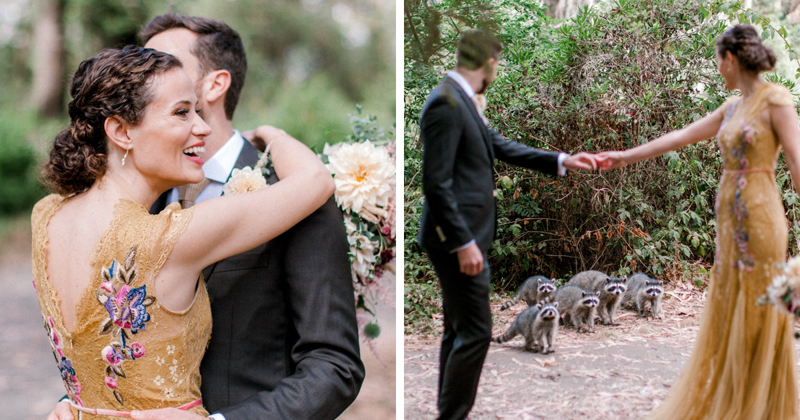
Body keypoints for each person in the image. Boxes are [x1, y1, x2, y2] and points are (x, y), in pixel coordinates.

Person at [48, 14, 364, 420]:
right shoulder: (136, 196)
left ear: (215, 84)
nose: (151, 70)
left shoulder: (291, 192)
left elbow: (334, 367)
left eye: (163, 59)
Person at [596, 24, 800, 419]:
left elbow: (796, 160)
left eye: (718, 61)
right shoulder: (731, 108)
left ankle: (761, 408)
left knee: (759, 308)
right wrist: (623, 156)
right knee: (730, 308)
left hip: (760, 221)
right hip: (729, 225)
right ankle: (732, 402)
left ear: (730, 59)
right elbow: (680, 136)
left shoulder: (776, 100)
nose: (717, 69)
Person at [417, 29, 597, 420]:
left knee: (458, 328)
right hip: (457, 238)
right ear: (489, 61)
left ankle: (448, 413)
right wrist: (463, 242)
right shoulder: (445, 103)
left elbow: (498, 145)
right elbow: (436, 182)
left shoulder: (461, 99)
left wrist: (561, 160)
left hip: (464, 236)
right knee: (478, 331)